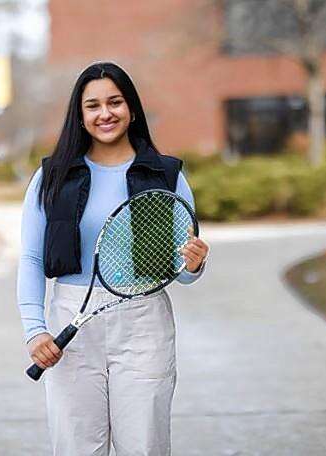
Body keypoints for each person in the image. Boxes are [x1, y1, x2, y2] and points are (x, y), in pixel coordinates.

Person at [17, 60, 210, 456]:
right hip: (70, 321)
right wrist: (35, 329)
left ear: (132, 109)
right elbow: (31, 259)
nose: (105, 113)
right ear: (80, 114)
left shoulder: (166, 176)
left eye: (115, 102)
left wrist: (193, 264)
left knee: (145, 446)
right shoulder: (52, 177)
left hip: (143, 323)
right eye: (93, 105)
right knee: (77, 448)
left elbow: (181, 271)